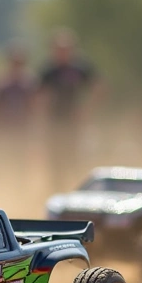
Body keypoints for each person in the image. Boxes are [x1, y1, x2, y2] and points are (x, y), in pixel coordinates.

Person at [37, 28, 99, 190]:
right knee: (54, 159)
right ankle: (55, 188)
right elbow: (39, 96)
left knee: (74, 157)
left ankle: (76, 188)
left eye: (66, 49)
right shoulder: (49, 70)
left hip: (74, 123)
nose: (62, 52)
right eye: (58, 49)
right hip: (55, 122)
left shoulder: (80, 68)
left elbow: (99, 87)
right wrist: (43, 117)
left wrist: (86, 109)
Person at [0, 43, 36, 144]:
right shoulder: (0, 83)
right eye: (14, 61)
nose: (17, 64)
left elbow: (35, 106)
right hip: (3, 125)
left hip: (23, 126)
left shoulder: (30, 83)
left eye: (19, 62)